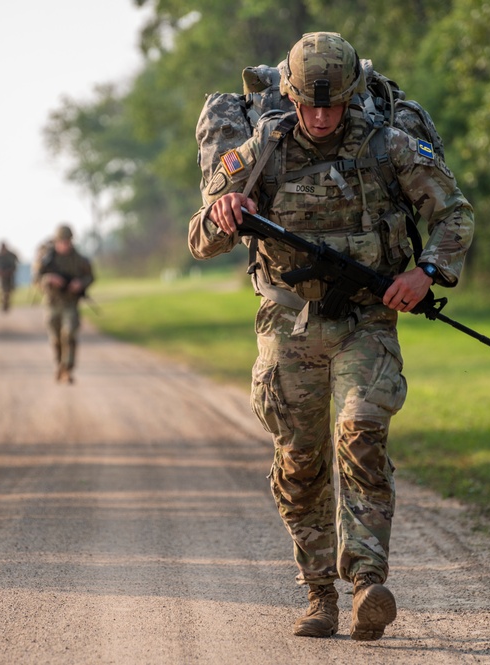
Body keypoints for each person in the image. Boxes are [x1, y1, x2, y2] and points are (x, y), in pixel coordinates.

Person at [188, 32, 474, 641]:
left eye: (334, 104)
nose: (320, 118)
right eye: (309, 105)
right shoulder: (262, 143)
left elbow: (454, 212)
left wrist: (424, 274)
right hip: (289, 321)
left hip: (366, 320)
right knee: (299, 459)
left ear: (353, 96)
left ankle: (368, 581)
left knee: (361, 432)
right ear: (289, 95)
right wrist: (222, 214)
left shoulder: (389, 144)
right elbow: (201, 238)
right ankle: (318, 592)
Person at [33, 224, 94, 384]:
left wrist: (80, 283)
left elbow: (90, 276)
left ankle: (67, 368)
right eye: (62, 241)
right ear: (56, 241)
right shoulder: (46, 260)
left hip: (70, 303)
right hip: (52, 303)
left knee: (69, 334)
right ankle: (60, 364)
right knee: (55, 339)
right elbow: (37, 280)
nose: (65, 245)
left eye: (68, 241)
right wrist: (49, 279)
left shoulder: (79, 259)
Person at [0, 241, 20, 312]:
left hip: (9, 275)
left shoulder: (11, 255)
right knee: (2, 291)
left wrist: (11, 270)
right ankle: (3, 305)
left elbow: (16, 262)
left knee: (8, 291)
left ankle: (6, 304)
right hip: (1, 276)